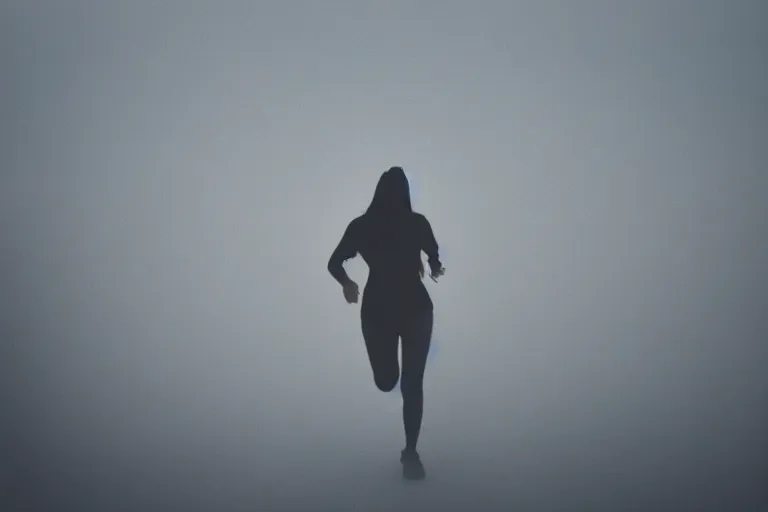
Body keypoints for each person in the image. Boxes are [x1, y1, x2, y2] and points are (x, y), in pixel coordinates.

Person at [327, 166, 445, 481]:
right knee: (388, 381)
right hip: (382, 313)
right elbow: (334, 262)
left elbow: (433, 252)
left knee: (410, 384)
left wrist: (433, 265)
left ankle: (411, 455)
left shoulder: (404, 224)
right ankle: (410, 454)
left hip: (412, 311)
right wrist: (346, 283)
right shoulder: (366, 227)